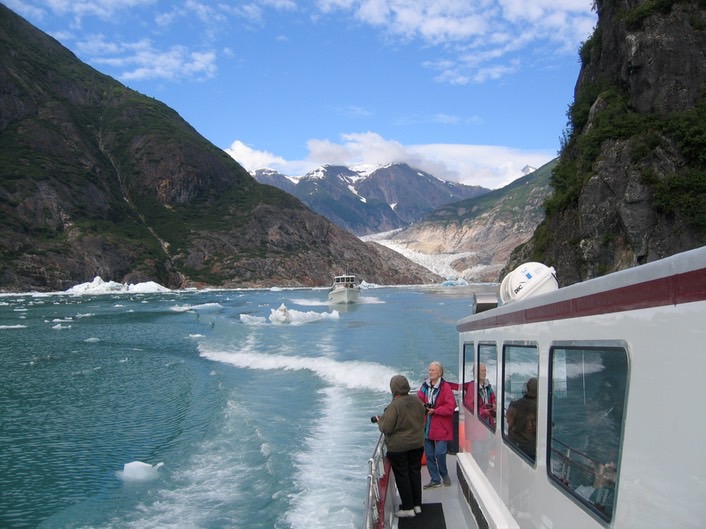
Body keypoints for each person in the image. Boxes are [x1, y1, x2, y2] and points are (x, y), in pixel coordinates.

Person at [375, 375, 426, 518]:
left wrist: (380, 421)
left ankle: (408, 508)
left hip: (399, 447)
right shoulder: (417, 401)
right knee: (415, 473)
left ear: (393, 388)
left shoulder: (394, 405)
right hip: (417, 444)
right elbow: (422, 418)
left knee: (403, 476)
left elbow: (386, 427)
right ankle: (417, 505)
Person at [418, 361, 457, 489]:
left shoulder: (445, 387)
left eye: (433, 370)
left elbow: (451, 407)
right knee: (429, 455)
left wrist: (435, 411)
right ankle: (435, 479)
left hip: (442, 426)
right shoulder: (424, 386)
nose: (430, 372)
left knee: (440, 453)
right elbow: (419, 401)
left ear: (440, 372)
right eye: (429, 370)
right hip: (427, 426)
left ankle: (444, 474)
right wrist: (423, 407)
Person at [506, 377, 538, 459]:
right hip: (530, 448)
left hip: (514, 445)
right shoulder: (538, 408)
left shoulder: (514, 404)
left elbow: (509, 421)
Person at [477, 363, 497, 428]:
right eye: (482, 371)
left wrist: (494, 404)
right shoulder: (472, 388)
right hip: (478, 421)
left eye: (485, 371)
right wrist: (483, 412)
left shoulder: (488, 387)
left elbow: (493, 398)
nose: (484, 373)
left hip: (489, 420)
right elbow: (471, 407)